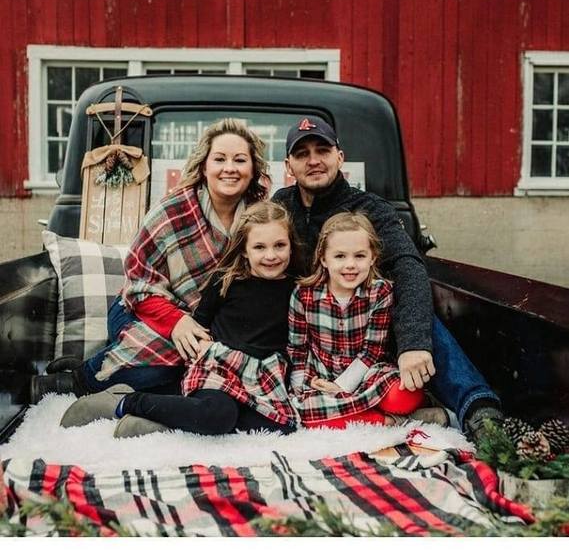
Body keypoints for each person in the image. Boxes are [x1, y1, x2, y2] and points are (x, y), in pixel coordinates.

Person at [272, 115, 503, 442]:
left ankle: (479, 410)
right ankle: (392, 417)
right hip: (310, 330)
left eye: (322, 150)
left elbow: (408, 265)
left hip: (369, 329)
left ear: (340, 156)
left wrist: (413, 343)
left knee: (417, 316)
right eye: (302, 154)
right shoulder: (281, 206)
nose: (313, 160)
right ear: (288, 165)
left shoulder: (370, 208)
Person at [30, 118, 271, 403]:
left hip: (208, 322)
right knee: (170, 359)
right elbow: (138, 281)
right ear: (204, 167)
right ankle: (74, 381)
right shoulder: (174, 210)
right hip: (140, 307)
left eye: (240, 160)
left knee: (206, 365)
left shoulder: (259, 219)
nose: (229, 168)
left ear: (253, 168)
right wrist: (176, 321)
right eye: (219, 159)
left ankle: (98, 368)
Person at [59, 201, 299, 437]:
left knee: (282, 425)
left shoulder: (296, 289)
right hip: (220, 368)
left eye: (279, 245)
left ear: (291, 246)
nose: (271, 255)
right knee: (219, 415)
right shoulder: (226, 281)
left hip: (262, 376)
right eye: (259, 247)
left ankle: (164, 421)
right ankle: (126, 402)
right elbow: (200, 323)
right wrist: (204, 346)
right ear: (244, 250)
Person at [289, 212, 428, 429]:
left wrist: (342, 387)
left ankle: (353, 412)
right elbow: (298, 349)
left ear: (373, 257)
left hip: (366, 371)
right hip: (322, 375)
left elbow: (372, 351)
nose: (350, 265)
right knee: (304, 412)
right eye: (340, 256)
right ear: (323, 259)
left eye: (360, 256)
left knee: (404, 396)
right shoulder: (304, 295)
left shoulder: (380, 292)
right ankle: (390, 421)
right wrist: (300, 387)